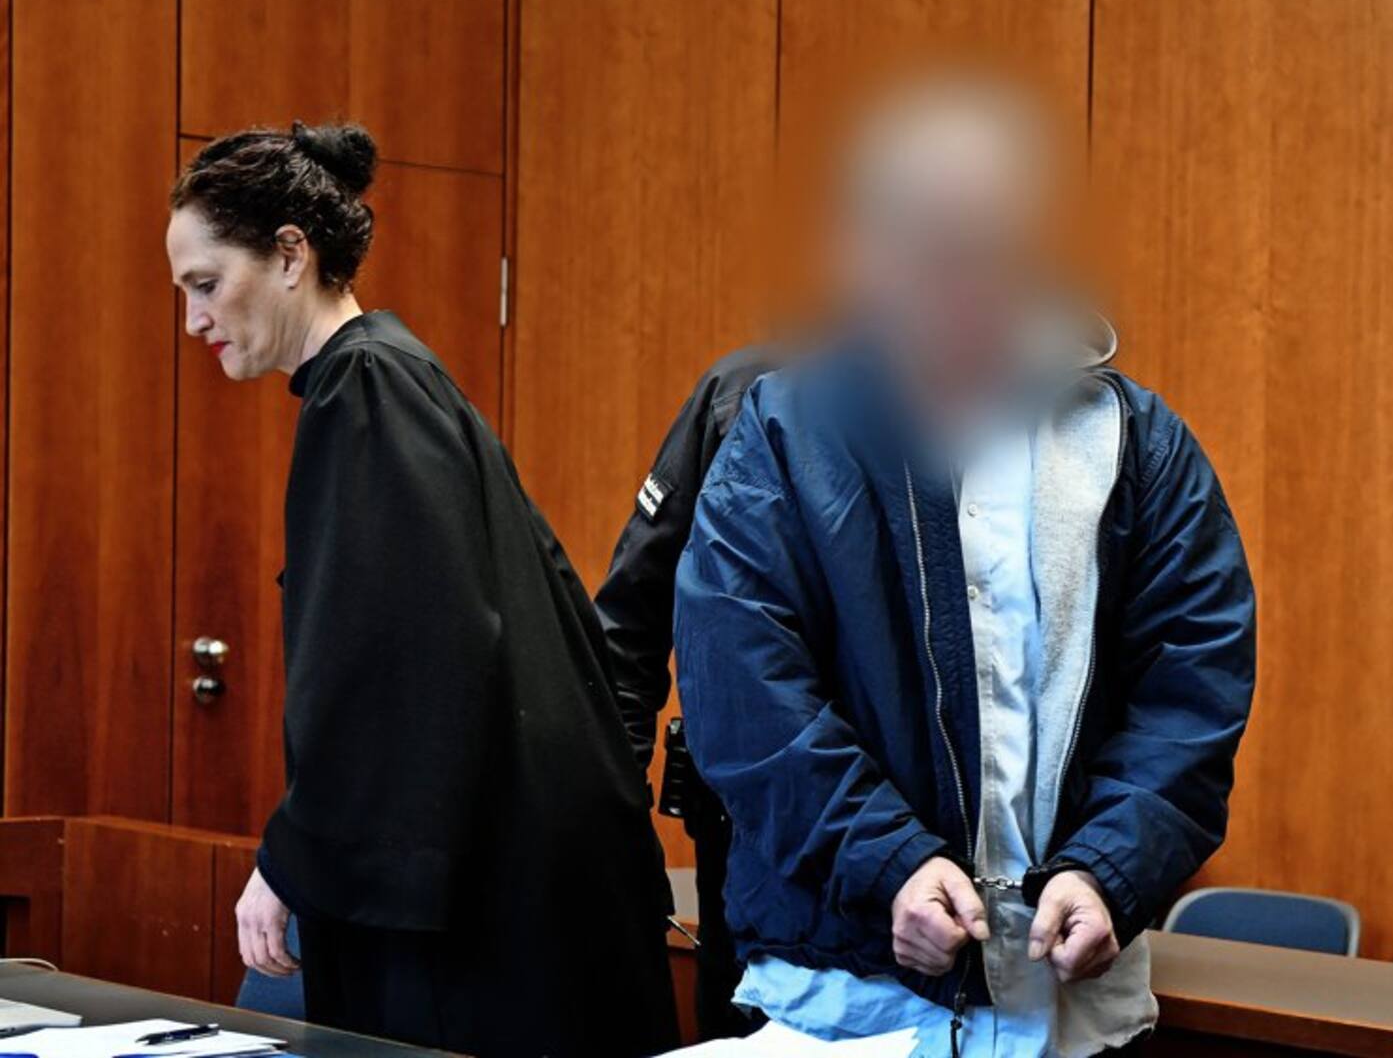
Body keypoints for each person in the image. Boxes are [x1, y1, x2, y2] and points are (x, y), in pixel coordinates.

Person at [673, 79, 1256, 1057]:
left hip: (1074, 1012)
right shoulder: (784, 434)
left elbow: (1190, 694)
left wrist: (1107, 869)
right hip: (845, 1003)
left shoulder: (1134, 445)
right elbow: (745, 694)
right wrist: (888, 862)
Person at [166, 121, 679, 1057]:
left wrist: (289, 859)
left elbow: (395, 667)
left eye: (206, 283)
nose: (194, 318)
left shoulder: (367, 388)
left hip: (489, 924)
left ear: (291, 254)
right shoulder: (392, 378)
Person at [595, 344, 782, 1039]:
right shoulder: (741, 391)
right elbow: (629, 621)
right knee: (735, 1025)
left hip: (909, 846)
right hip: (741, 826)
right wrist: (615, 812)